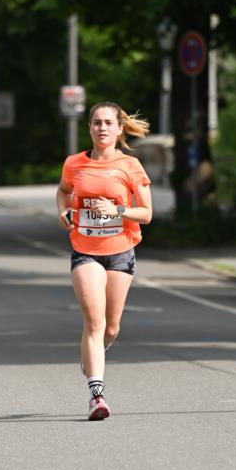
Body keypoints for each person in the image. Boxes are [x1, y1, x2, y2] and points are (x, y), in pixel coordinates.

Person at [56, 101, 152, 420]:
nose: (102, 128)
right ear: (90, 127)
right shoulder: (74, 163)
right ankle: (97, 396)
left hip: (121, 250)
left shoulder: (131, 166)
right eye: (97, 122)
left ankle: (91, 356)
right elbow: (63, 191)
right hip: (85, 250)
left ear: (119, 128)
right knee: (94, 322)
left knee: (111, 327)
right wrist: (63, 212)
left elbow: (147, 213)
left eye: (108, 123)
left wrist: (118, 211)